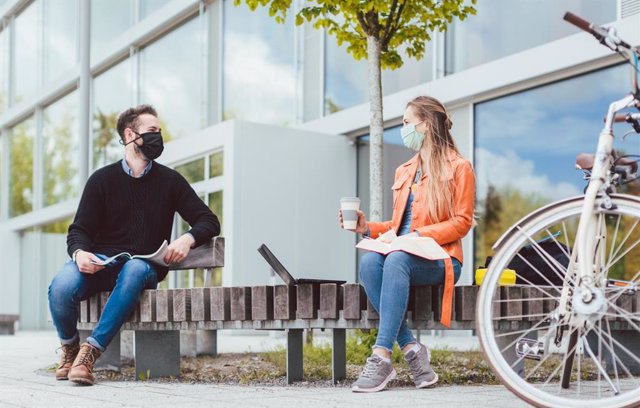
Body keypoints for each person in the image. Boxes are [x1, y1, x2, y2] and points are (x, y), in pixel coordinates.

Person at [48, 105, 220, 386]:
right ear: (130, 134)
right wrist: (80, 254)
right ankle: (70, 348)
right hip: (102, 264)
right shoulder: (101, 180)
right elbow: (79, 231)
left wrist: (187, 238)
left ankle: (90, 353)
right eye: (152, 131)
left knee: (135, 268)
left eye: (159, 132)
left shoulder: (170, 181)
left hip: (143, 268)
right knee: (62, 286)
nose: (158, 137)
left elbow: (208, 220)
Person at [339, 96, 475, 393]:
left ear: (425, 125)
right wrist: (367, 227)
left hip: (442, 258)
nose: (403, 129)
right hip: (404, 252)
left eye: (406, 122)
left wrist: (419, 236)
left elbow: (462, 222)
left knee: (397, 257)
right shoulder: (404, 170)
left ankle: (381, 355)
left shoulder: (459, 167)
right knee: (370, 261)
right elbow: (396, 226)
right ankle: (412, 350)